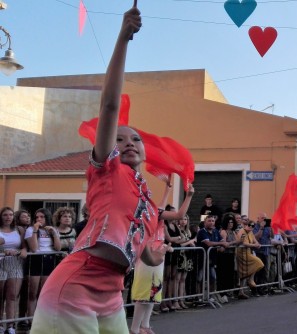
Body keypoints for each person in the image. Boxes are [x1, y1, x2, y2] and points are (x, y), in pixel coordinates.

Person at [31, 6, 190, 333]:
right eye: (121, 137)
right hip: (77, 284)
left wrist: (153, 257)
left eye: (136, 139)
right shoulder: (106, 168)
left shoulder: (146, 199)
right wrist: (123, 38)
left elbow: (142, 249)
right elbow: (109, 104)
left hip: (113, 293)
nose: (130, 142)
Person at [130, 183, 194, 334]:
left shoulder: (153, 211)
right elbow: (178, 215)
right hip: (147, 254)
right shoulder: (143, 212)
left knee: (153, 291)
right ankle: (134, 328)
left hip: (158, 254)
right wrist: (189, 196)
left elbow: (162, 207)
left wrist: (167, 189)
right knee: (144, 294)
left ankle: (145, 325)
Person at [25, 208, 61, 323]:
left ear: (47, 218)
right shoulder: (30, 229)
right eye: (37, 217)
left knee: (44, 293)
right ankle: (31, 320)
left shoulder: (52, 229)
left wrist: (54, 233)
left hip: (49, 260)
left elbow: (58, 248)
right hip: (35, 259)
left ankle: (43, 320)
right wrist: (35, 230)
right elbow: (34, 248)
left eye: (42, 217)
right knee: (32, 293)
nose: (39, 219)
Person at [0, 208, 28, 334]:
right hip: (0, 263)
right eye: (5, 215)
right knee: (0, 297)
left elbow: (24, 246)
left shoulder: (19, 229)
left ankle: (10, 326)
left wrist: (23, 250)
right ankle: (0, 324)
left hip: (15, 264)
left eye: (10, 214)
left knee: (12, 296)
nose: (8, 217)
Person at [236, 220, 264, 299]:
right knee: (257, 262)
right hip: (242, 253)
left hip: (248, 252)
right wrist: (254, 245)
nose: (250, 228)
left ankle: (241, 292)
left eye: (252, 227)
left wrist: (258, 244)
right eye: (249, 226)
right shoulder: (242, 231)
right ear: (245, 225)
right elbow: (244, 243)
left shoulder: (251, 232)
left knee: (246, 272)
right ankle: (250, 280)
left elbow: (255, 241)